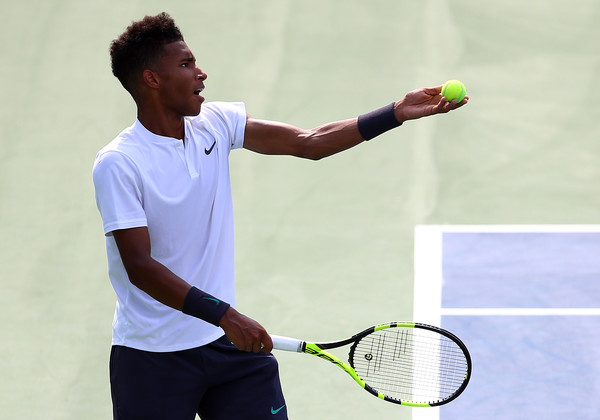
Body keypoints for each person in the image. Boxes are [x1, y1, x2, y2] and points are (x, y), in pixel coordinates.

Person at [92, 12, 468, 420]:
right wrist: (227, 315)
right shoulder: (120, 162)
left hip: (226, 346)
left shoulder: (214, 124)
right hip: (153, 358)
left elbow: (309, 142)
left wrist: (395, 111)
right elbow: (140, 267)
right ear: (151, 79)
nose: (201, 73)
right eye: (185, 65)